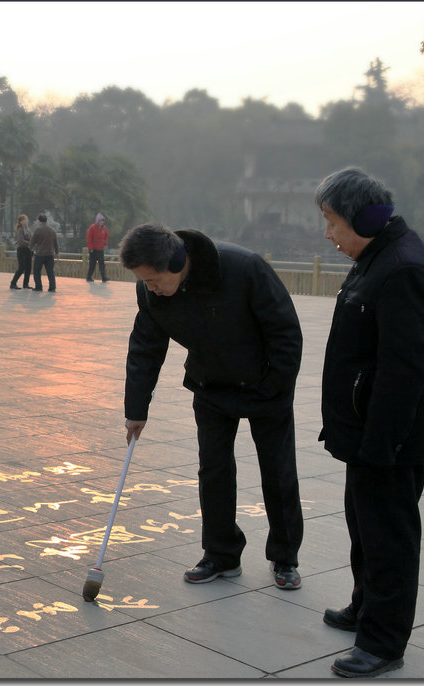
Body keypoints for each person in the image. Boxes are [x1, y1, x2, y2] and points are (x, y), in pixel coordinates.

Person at [120, 223, 305, 590]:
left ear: (176, 261)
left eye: (154, 280)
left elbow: (285, 332)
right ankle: (221, 554)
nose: (150, 288)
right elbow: (145, 346)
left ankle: (284, 557)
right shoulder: (153, 293)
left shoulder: (242, 268)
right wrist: (136, 408)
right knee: (214, 470)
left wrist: (274, 386)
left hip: (264, 384)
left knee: (278, 471)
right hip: (210, 385)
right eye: (144, 283)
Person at [315, 167, 424, 679]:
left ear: (365, 218)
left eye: (331, 222)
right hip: (364, 432)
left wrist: (381, 445)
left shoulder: (403, 269)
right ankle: (365, 607)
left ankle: (384, 642)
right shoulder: (375, 257)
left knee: (389, 539)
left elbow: (404, 371)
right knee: (363, 528)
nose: (328, 234)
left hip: (389, 441)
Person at [29, 213, 59, 292]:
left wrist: (30, 248)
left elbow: (32, 241)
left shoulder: (38, 230)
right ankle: (52, 287)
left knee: (37, 271)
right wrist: (57, 252)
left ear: (39, 221)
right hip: (50, 254)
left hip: (40, 254)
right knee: (50, 271)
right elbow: (55, 242)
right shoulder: (52, 230)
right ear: (46, 220)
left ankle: (39, 287)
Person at [9, 213, 32, 290]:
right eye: (24, 220)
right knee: (21, 267)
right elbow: (20, 240)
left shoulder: (28, 229)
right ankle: (13, 283)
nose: (26, 222)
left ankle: (26, 284)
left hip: (28, 250)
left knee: (28, 267)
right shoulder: (20, 229)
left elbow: (31, 238)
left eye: (27, 220)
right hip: (21, 250)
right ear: (21, 222)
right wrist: (29, 243)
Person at [85, 212, 109, 282]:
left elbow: (106, 236)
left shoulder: (104, 229)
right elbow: (88, 238)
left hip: (101, 249)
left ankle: (104, 277)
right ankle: (89, 277)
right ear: (98, 221)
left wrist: (105, 242)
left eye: (103, 221)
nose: (102, 222)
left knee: (102, 264)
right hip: (93, 250)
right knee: (92, 264)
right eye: (101, 221)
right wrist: (90, 248)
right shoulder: (92, 228)